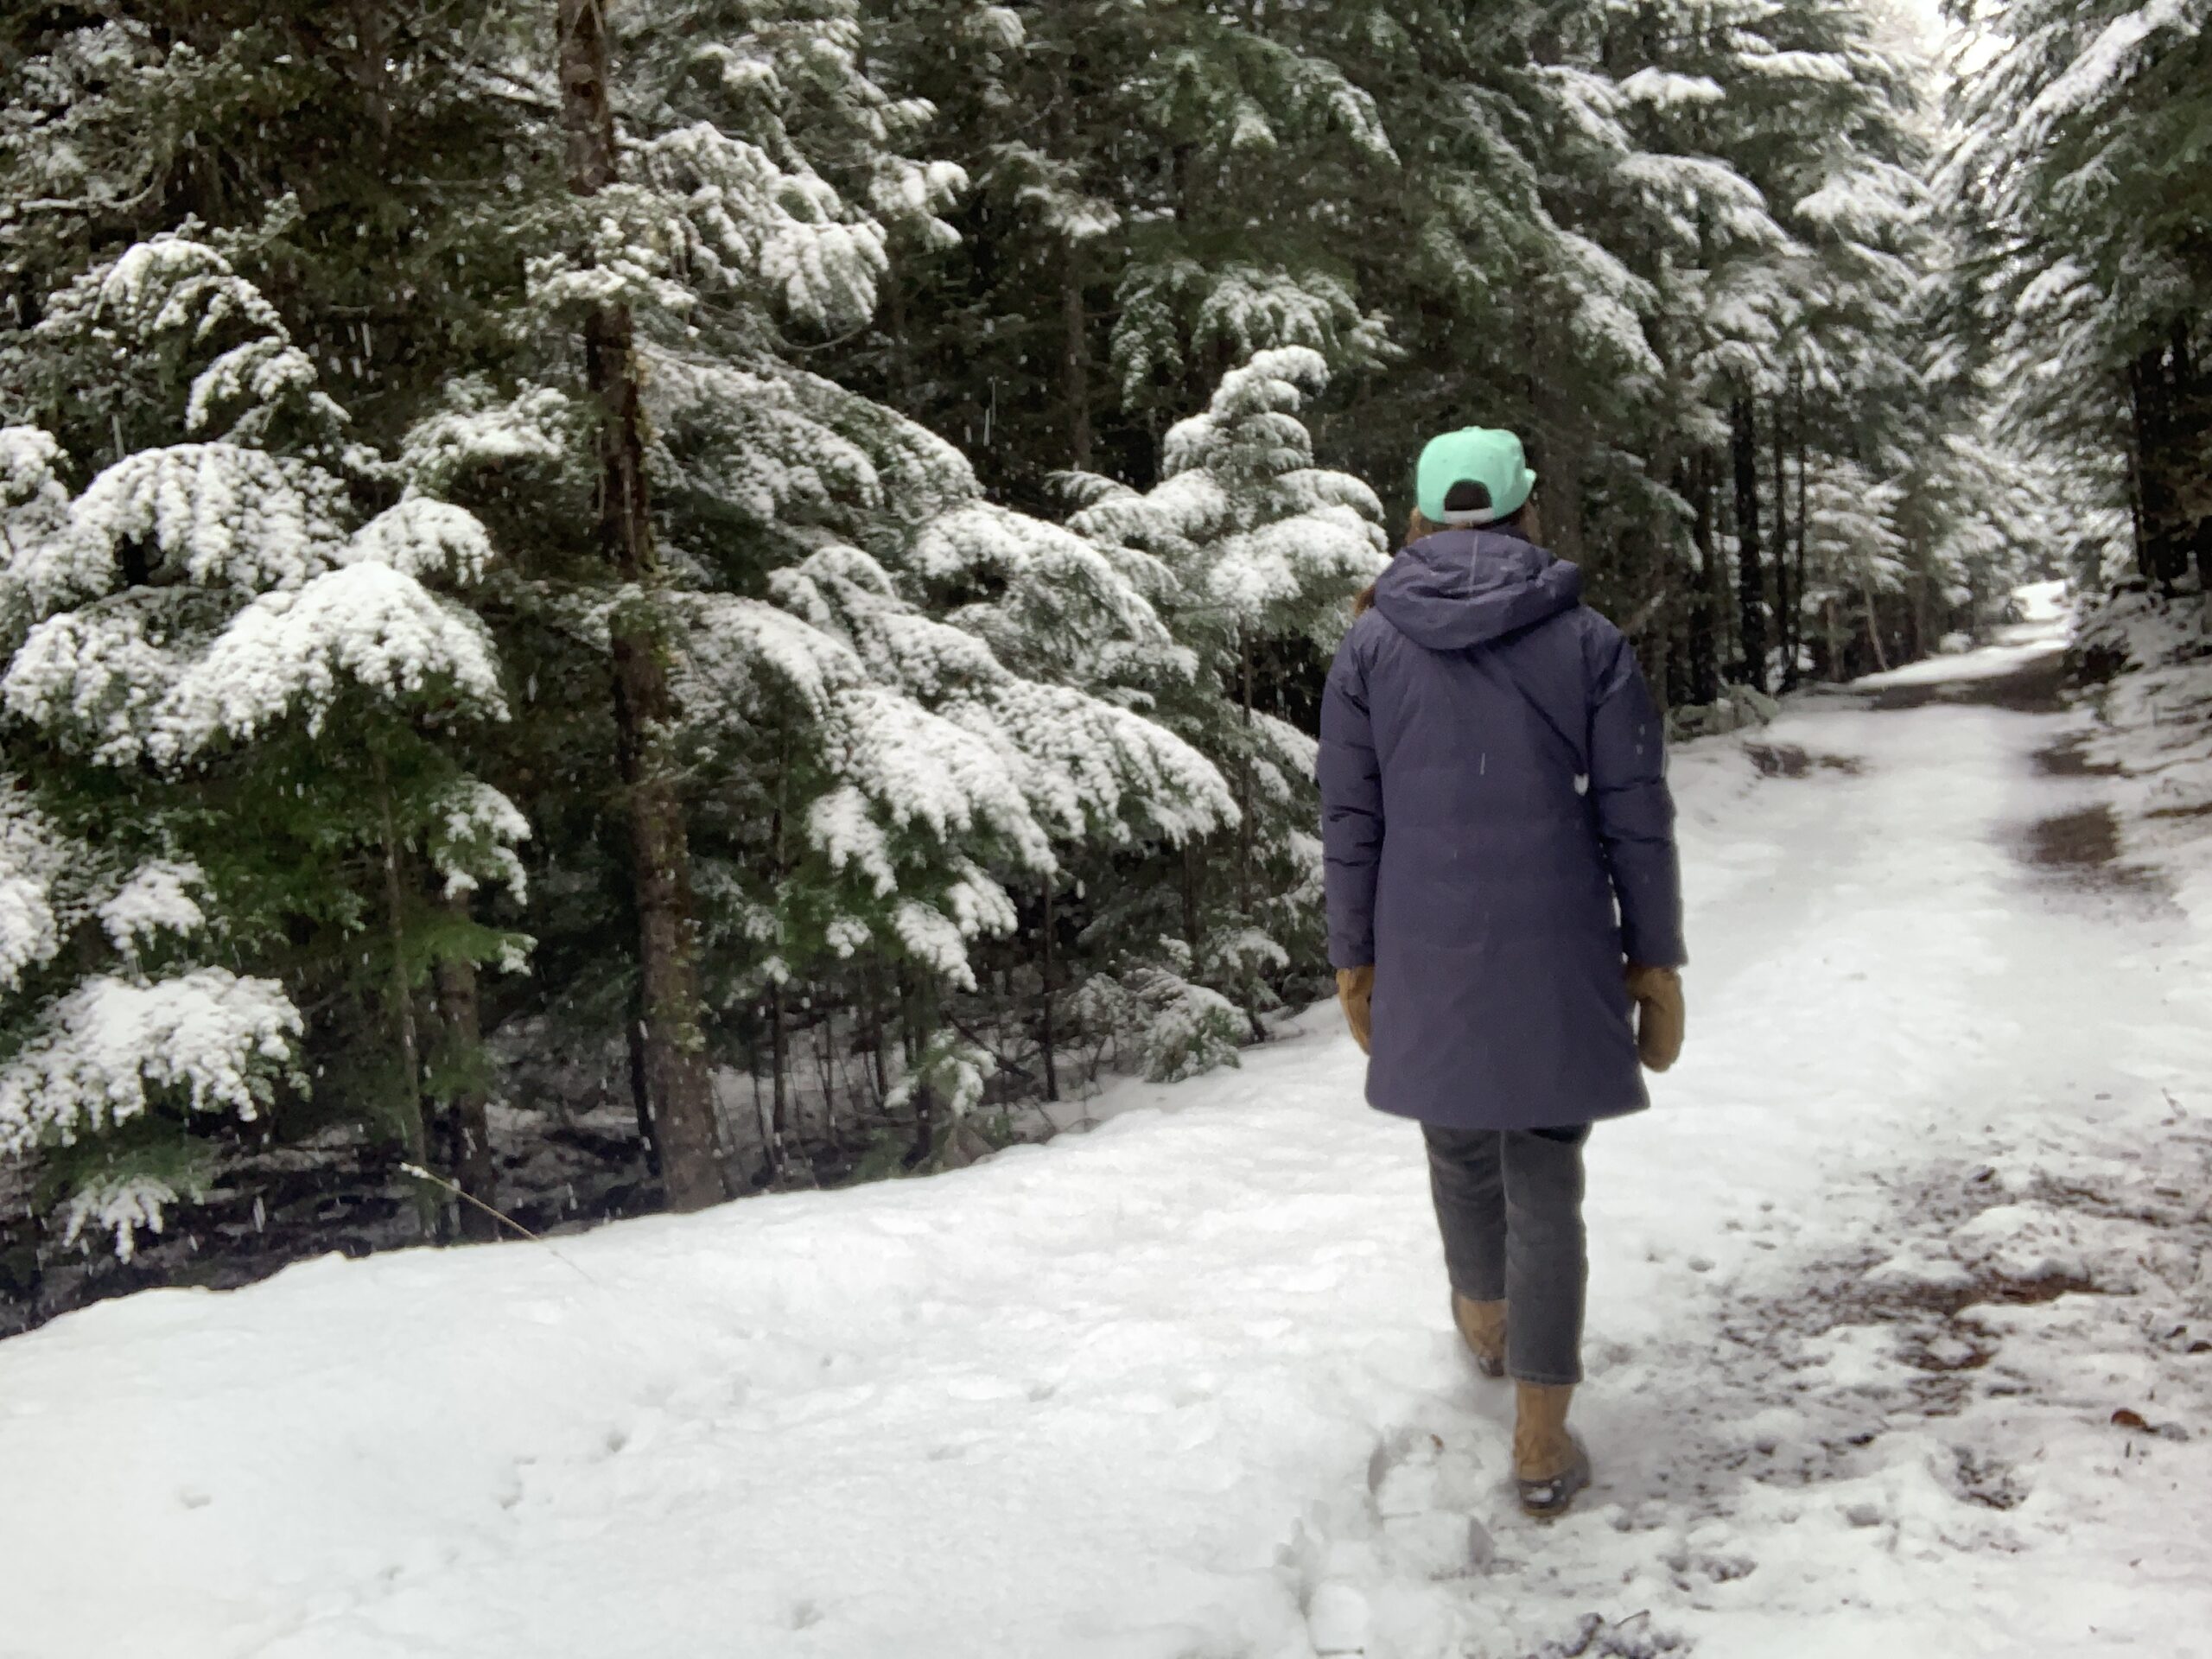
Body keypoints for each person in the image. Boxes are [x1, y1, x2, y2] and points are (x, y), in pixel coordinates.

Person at [1318, 426, 1687, 1520]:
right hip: (1557, 943)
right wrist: (1653, 958)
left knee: (1458, 1143)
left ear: (1418, 520)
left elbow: (1350, 822)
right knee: (1545, 1182)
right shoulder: (1585, 639)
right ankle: (1538, 1436)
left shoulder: (1370, 648)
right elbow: (1637, 818)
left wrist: (1355, 959)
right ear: (1527, 510)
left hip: (1426, 941)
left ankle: (1484, 1320)